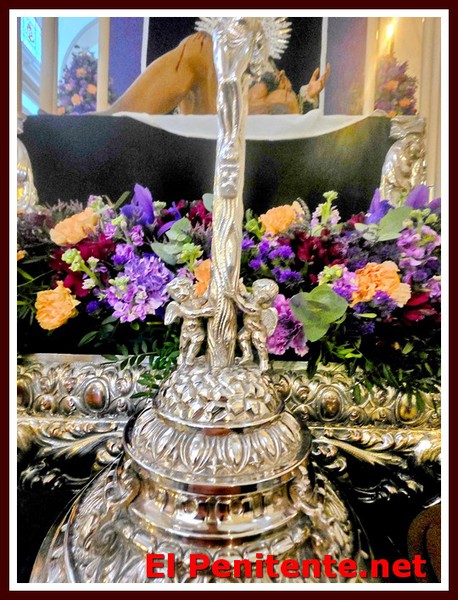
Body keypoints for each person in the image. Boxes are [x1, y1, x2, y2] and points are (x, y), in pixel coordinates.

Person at [103, 32, 330, 116]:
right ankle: (116, 117)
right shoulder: (242, 59)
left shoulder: (280, 90)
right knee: (199, 48)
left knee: (198, 52)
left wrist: (306, 96)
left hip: (234, 127)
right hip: (219, 113)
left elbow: (288, 113)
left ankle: (116, 118)